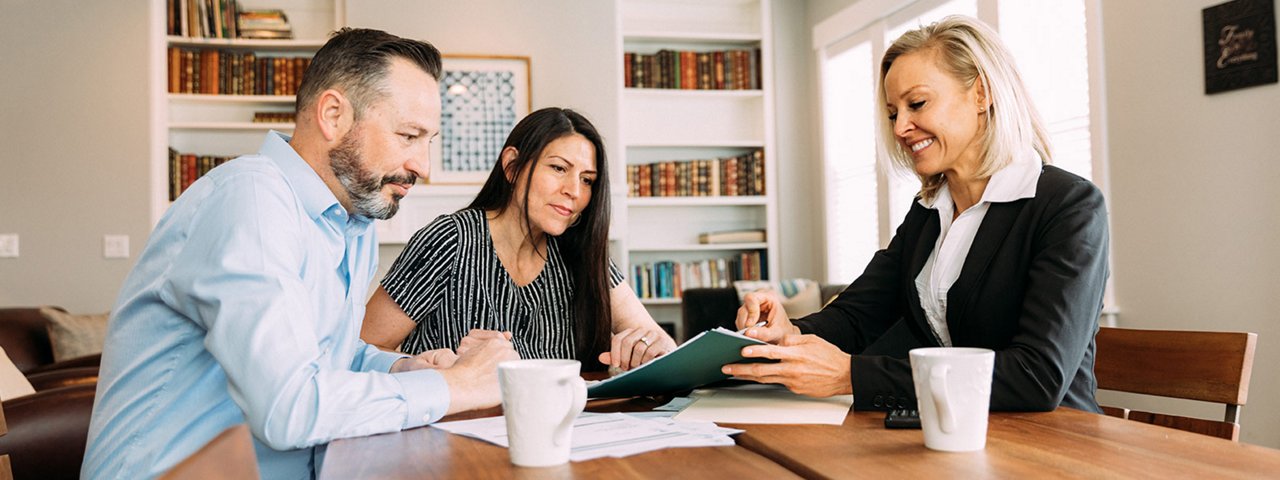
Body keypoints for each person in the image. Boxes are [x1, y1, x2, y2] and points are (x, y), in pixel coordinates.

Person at [81, 28, 519, 479]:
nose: (422, 166)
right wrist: (459, 385)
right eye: (409, 135)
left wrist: (409, 366)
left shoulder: (353, 219)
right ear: (332, 114)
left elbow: (330, 355)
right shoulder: (249, 199)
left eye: (428, 141)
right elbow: (289, 409)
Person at [725, 15, 1109, 413]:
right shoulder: (929, 211)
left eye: (917, 104)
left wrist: (851, 376)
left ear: (982, 94)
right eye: (893, 113)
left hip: (1055, 445)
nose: (900, 127)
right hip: (958, 433)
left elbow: (1036, 376)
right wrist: (789, 332)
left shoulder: (1069, 206)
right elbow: (859, 315)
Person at [362, 107, 676, 372]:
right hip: (453, 431)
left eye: (587, 180)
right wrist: (441, 367)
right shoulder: (449, 240)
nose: (575, 191)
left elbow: (658, 342)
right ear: (512, 166)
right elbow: (364, 349)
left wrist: (654, 345)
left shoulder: (581, 251)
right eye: (558, 168)